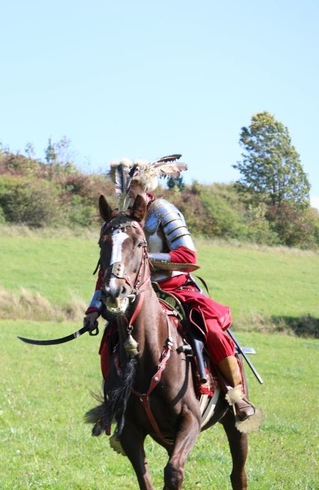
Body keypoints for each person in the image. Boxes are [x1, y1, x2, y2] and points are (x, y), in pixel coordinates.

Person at [84, 156, 262, 430]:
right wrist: (94, 308)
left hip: (174, 288)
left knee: (212, 330)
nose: (126, 193)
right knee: (110, 339)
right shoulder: (119, 221)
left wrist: (145, 258)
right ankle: (113, 407)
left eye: (131, 187)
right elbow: (109, 267)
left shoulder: (163, 212)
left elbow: (188, 256)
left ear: (144, 186)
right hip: (133, 294)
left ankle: (236, 394)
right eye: (124, 188)